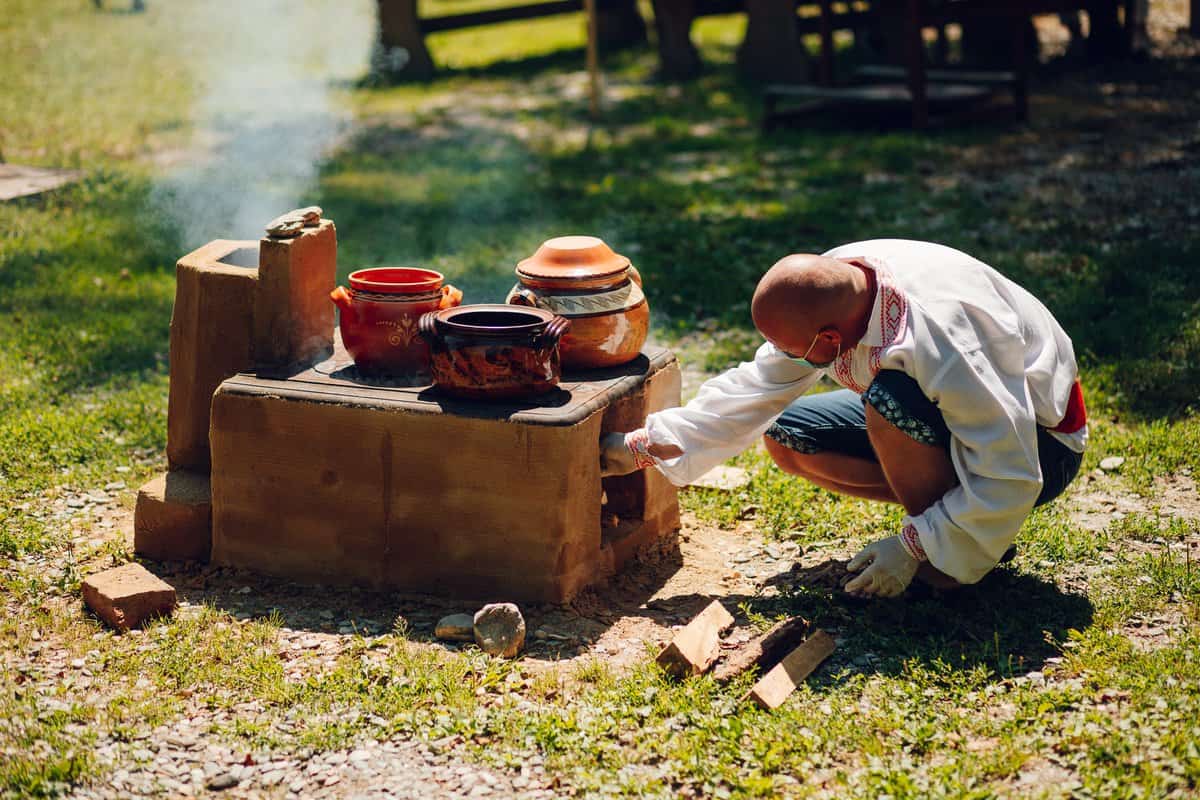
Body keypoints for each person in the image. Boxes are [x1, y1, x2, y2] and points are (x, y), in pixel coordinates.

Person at [600, 239, 1087, 598]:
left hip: (1041, 444)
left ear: (830, 341)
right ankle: (957, 527)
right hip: (949, 418)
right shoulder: (835, 279)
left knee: (886, 401)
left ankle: (944, 565)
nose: (783, 356)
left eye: (793, 349)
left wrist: (914, 546)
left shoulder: (945, 336)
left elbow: (1012, 469)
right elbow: (760, 385)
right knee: (790, 437)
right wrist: (643, 446)